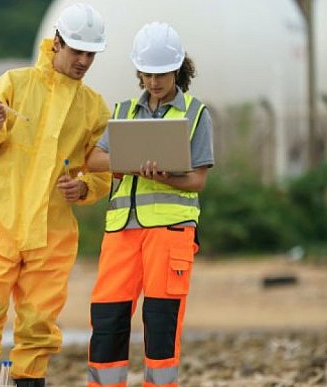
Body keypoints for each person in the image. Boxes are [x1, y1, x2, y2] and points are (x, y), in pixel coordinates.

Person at [0, 3, 113, 387]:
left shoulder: (94, 108)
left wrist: (84, 187)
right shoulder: (14, 84)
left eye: (91, 54)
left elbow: (103, 169)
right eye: (77, 51)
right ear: (57, 43)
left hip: (51, 237)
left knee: (39, 330)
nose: (84, 60)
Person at [84, 22, 215, 387]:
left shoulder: (195, 113)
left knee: (160, 323)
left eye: (161, 73)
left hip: (171, 233)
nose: (154, 81)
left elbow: (199, 179)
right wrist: (129, 160)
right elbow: (94, 160)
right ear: (138, 70)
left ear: (177, 69)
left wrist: (160, 176)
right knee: (108, 318)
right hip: (121, 232)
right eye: (147, 73)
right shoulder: (124, 110)